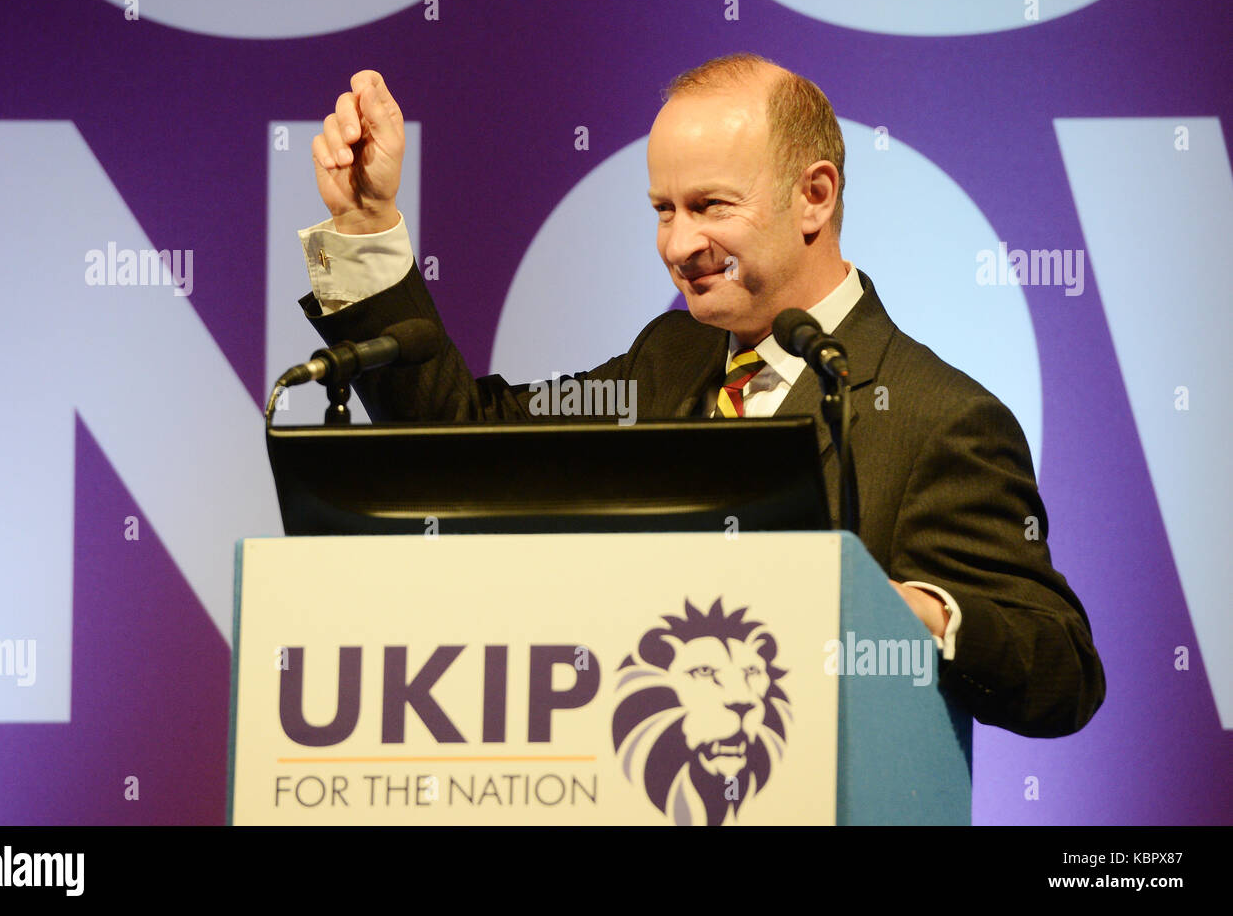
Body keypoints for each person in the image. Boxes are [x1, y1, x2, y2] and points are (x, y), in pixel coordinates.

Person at [293, 54, 1105, 738]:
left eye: (710, 206)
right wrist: (367, 226)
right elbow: (462, 439)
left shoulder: (939, 417)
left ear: (815, 195)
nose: (679, 245)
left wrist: (918, 613)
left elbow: (1061, 667)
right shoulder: (668, 356)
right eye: (663, 211)